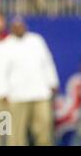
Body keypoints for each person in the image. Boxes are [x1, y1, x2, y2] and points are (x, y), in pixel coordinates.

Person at [4, 17, 59, 146]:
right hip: (17, 96)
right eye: (15, 26)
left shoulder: (36, 40)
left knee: (44, 130)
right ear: (11, 28)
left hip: (40, 93)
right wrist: (5, 91)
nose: (19, 28)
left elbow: (47, 62)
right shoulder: (6, 45)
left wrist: (53, 82)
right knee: (16, 135)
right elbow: (2, 72)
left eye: (21, 25)